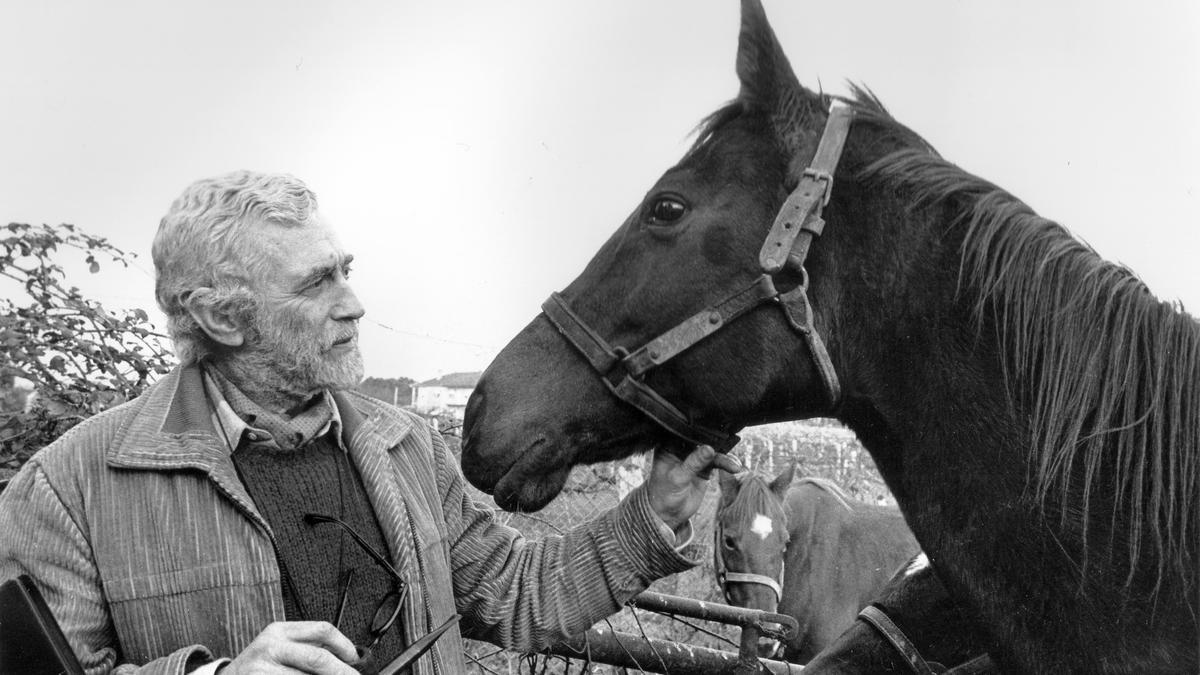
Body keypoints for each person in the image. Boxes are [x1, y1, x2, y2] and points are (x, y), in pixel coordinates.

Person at [0, 171, 740, 674]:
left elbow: (518, 593)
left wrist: (653, 514)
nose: (354, 304)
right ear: (223, 318)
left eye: (345, 269)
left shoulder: (403, 443)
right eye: (318, 282)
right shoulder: (70, 489)